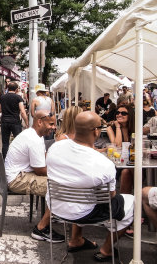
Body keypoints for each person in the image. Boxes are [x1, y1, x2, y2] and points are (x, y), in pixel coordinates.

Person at [46, 111, 134, 262]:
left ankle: (76, 239)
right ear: (96, 131)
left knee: (85, 193)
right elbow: (111, 197)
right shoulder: (103, 163)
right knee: (132, 201)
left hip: (56, 206)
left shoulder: (55, 148)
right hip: (85, 212)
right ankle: (106, 249)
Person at [4, 110, 64, 243]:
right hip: (17, 179)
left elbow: (43, 159)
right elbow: (41, 170)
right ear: (39, 122)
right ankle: (41, 228)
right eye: (51, 124)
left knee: (58, 182)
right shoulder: (34, 139)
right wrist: (63, 172)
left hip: (20, 174)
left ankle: (53, 213)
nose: (54, 128)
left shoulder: (34, 135)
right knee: (59, 188)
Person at [0, 81, 28, 159]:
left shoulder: (2, 97)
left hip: (4, 121)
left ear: (8, 88)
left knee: (5, 143)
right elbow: (22, 111)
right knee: (18, 142)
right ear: (16, 89)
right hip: (15, 122)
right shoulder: (18, 97)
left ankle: (5, 160)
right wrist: (26, 122)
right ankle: (17, 159)